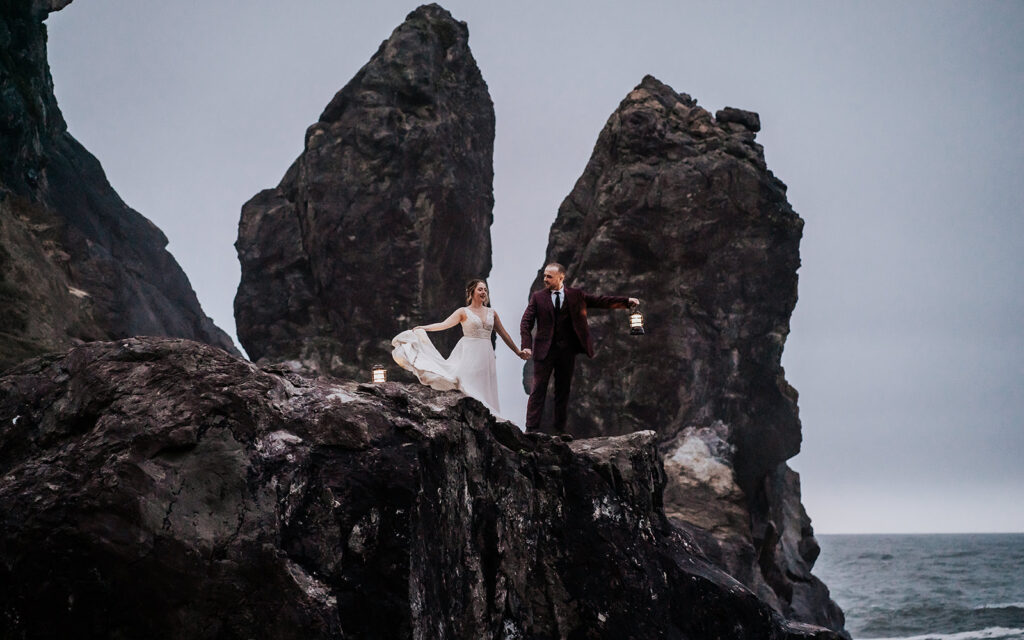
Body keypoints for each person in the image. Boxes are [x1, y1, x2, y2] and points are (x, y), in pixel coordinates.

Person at [520, 263, 639, 434]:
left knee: (563, 390)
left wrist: (626, 302)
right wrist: (526, 346)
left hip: (567, 351)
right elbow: (526, 322)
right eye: (544, 276)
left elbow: (600, 301)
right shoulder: (538, 297)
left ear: (561, 277)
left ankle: (559, 431)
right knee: (538, 388)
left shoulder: (576, 296)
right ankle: (530, 429)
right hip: (544, 351)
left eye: (549, 277)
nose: (545, 280)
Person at [392, 279, 527, 414]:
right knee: (468, 383)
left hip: (486, 353)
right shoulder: (463, 311)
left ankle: (487, 413)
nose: (484, 292)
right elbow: (444, 324)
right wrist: (424, 328)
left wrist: (518, 351)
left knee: (484, 384)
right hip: (469, 352)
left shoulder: (492, 313)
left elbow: (504, 334)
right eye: (480, 289)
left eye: (485, 290)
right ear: (471, 292)